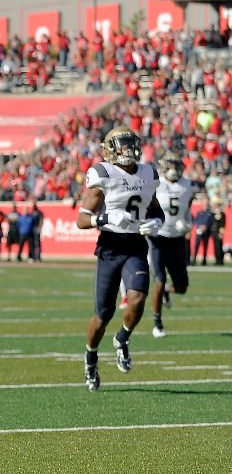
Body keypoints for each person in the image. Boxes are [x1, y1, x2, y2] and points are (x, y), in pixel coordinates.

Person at [75, 127, 163, 391]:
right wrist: (104, 218)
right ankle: (91, 357)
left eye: (130, 145)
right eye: (122, 145)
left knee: (137, 298)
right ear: (111, 149)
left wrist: (157, 221)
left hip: (135, 243)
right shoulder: (104, 173)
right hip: (110, 247)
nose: (128, 150)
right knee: (103, 315)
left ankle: (122, 339)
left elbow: (156, 209)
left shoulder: (148, 173)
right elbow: (81, 220)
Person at [147, 153, 196, 339]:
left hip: (177, 240)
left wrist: (187, 223)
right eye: (170, 166)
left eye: (176, 166)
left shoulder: (188, 185)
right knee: (158, 280)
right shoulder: (155, 183)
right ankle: (157, 322)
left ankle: (169, 291)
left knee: (182, 287)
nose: (173, 170)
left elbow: (188, 207)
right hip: (158, 238)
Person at [211, 201, 226, 266]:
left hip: (219, 232)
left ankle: (220, 260)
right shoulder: (213, 214)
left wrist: (221, 233)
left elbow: (223, 224)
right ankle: (217, 260)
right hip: (214, 232)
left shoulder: (222, 214)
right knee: (215, 247)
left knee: (219, 246)